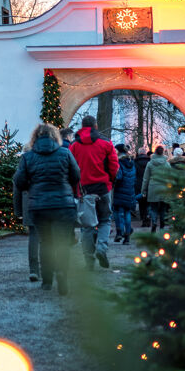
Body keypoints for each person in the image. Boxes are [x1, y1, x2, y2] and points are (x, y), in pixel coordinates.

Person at [13, 123, 81, 295]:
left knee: (46, 242)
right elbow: (76, 176)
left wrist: (32, 185)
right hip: (63, 204)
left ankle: (47, 280)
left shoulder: (28, 157)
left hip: (39, 205)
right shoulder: (65, 153)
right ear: (55, 137)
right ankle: (63, 274)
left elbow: (19, 181)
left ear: (35, 138)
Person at [69, 114, 119, 269]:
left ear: (83, 126)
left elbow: (71, 168)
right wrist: (110, 180)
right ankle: (102, 248)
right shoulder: (106, 143)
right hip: (103, 187)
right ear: (96, 126)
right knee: (104, 220)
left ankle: (88, 259)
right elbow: (114, 165)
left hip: (84, 190)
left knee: (87, 226)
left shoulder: (74, 145)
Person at [12, 177, 40, 282]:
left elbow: (18, 183)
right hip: (52, 201)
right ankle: (51, 268)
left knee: (34, 237)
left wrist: (18, 210)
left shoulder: (27, 160)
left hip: (31, 201)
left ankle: (34, 269)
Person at [142, 145, 170, 234]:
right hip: (164, 187)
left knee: (153, 208)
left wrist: (143, 190)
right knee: (163, 208)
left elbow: (145, 178)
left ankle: (154, 222)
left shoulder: (150, 163)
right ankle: (162, 225)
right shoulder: (167, 164)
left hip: (153, 187)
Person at [112, 144, 137, 244]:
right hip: (130, 190)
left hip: (120, 190)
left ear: (118, 151)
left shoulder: (119, 162)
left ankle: (119, 232)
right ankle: (127, 237)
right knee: (127, 213)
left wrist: (113, 180)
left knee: (117, 211)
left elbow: (119, 176)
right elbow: (134, 176)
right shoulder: (132, 162)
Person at [134, 148, 151, 227]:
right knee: (148, 202)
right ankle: (148, 216)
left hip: (138, 184)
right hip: (149, 184)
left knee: (141, 203)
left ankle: (143, 219)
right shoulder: (150, 161)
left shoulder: (135, 162)